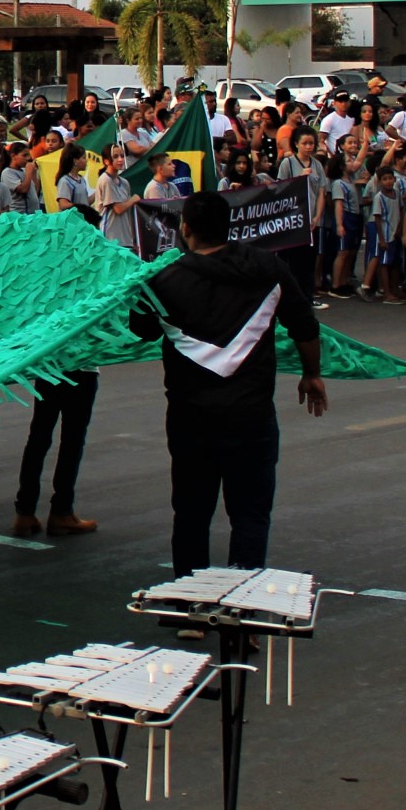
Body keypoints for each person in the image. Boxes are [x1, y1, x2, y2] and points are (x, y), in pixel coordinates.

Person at [131, 189, 327, 576]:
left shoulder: (163, 279)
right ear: (229, 226)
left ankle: (189, 600)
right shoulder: (268, 268)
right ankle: (242, 604)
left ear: (185, 228)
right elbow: (305, 325)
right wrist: (312, 374)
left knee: (191, 514)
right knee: (250, 515)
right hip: (251, 415)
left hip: (190, 418)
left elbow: (142, 329)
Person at [11, 368, 100, 538]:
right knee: (72, 441)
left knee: (38, 439)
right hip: (82, 369)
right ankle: (62, 512)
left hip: (49, 368)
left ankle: (24, 512)